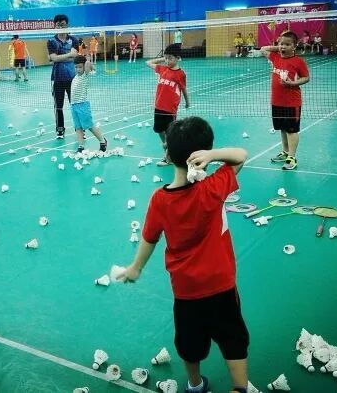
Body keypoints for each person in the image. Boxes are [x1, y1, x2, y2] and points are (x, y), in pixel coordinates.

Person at [117, 116, 249, 393]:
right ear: (201, 157)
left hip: (186, 290)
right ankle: (239, 388)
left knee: (190, 343)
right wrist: (212, 155)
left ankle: (195, 385)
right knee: (232, 337)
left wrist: (136, 267)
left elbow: (149, 237)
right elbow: (240, 156)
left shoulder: (160, 199)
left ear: (168, 154)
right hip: (221, 283)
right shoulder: (213, 188)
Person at [261, 31, 310, 170]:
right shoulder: (275, 57)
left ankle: (292, 157)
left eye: (288, 44)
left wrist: (292, 83)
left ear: (294, 46)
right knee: (282, 128)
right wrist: (280, 47)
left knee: (291, 130)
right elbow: (263, 49)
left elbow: (306, 77)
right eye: (281, 44)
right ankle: (285, 152)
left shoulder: (298, 61)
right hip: (276, 101)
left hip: (291, 102)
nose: (283, 47)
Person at [146, 43, 190, 166]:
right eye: (166, 58)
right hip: (158, 107)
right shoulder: (162, 69)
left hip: (170, 110)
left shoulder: (180, 74)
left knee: (170, 133)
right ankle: (168, 148)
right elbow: (148, 62)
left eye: (170, 58)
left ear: (178, 58)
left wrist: (187, 102)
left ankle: (168, 158)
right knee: (159, 131)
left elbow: (183, 89)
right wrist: (163, 58)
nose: (167, 61)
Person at [47, 14, 80, 138]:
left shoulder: (74, 40)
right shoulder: (51, 41)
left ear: (67, 25)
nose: (61, 27)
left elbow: (75, 57)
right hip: (57, 78)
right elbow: (53, 58)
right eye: (58, 24)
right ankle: (60, 129)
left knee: (75, 105)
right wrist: (68, 55)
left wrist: (58, 58)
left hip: (72, 78)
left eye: (63, 24)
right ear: (55, 26)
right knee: (58, 106)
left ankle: (79, 129)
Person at [70, 55, 108, 153]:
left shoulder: (85, 76)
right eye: (76, 67)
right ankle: (81, 146)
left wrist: (86, 59)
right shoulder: (76, 77)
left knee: (89, 126)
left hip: (83, 105)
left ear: (84, 67)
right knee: (78, 127)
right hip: (73, 106)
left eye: (80, 67)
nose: (78, 69)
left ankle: (102, 141)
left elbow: (87, 63)